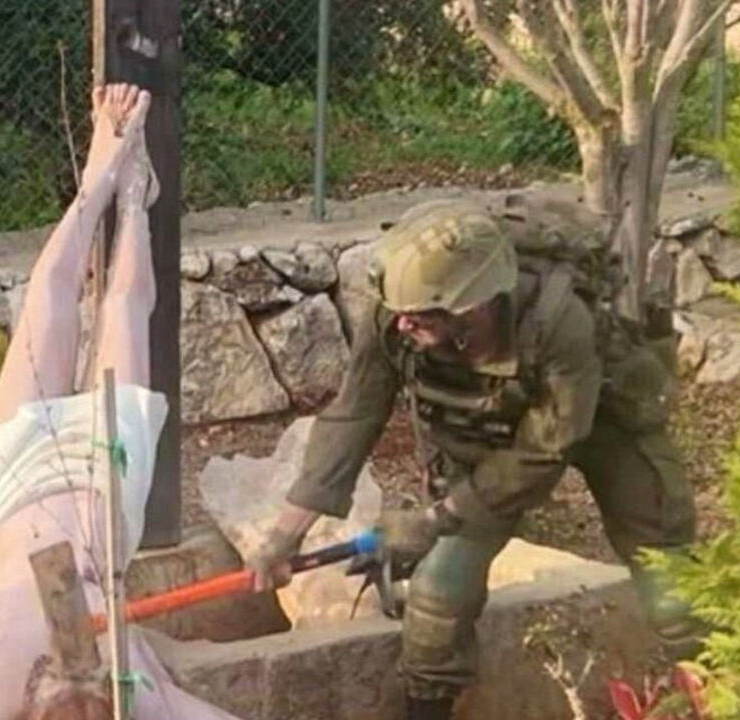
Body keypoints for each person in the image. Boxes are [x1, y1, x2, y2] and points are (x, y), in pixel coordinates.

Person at [247, 199, 700, 720]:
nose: (401, 326)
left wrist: (435, 517)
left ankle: (724, 691)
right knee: (439, 594)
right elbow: (353, 415)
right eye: (399, 313)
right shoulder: (395, 310)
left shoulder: (558, 320)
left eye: (418, 316)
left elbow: (549, 446)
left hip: (600, 421)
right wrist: (285, 534)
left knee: (670, 579)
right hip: (486, 438)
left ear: (472, 305)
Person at [0, 83, 241, 720]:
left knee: (47, 296)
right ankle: (135, 197)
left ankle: (98, 176)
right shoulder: (134, 692)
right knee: (122, 311)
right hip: (98, 494)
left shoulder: (0, 696)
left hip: (8, 488)